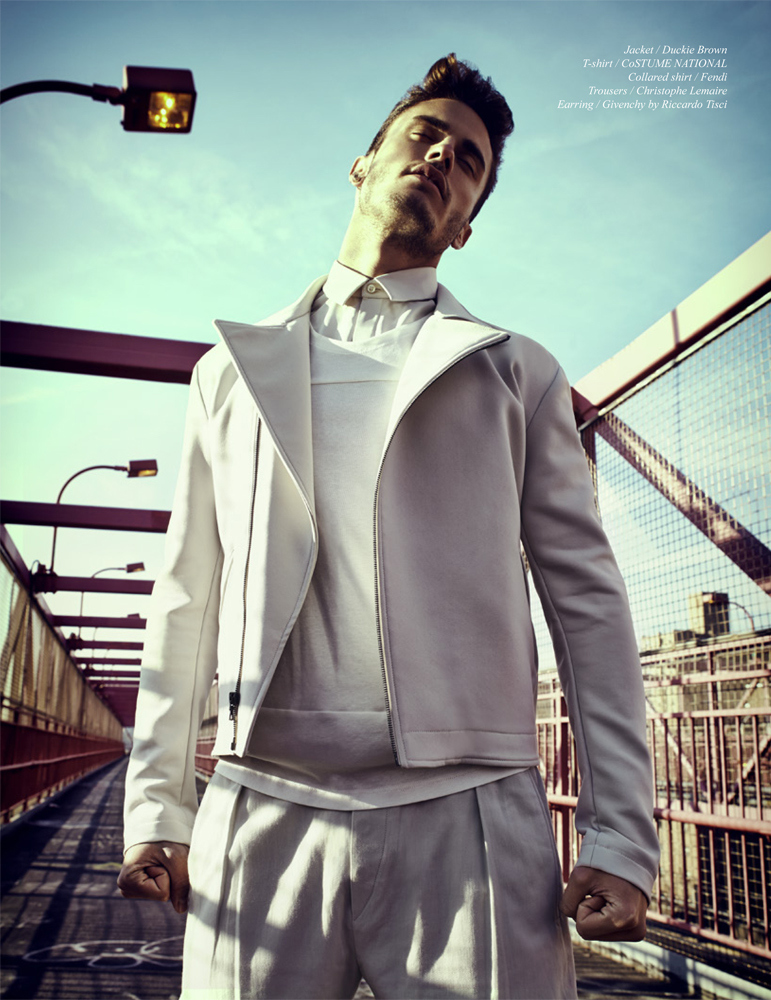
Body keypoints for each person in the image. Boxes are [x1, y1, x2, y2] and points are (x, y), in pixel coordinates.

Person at [118, 54, 660, 1000]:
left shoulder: (518, 373)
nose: (443, 156)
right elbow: (185, 596)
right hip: (261, 803)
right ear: (362, 164)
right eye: (424, 135)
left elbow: (589, 608)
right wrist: (159, 807)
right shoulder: (227, 372)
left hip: (471, 812)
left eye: (469, 161)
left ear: (465, 224)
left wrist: (619, 835)